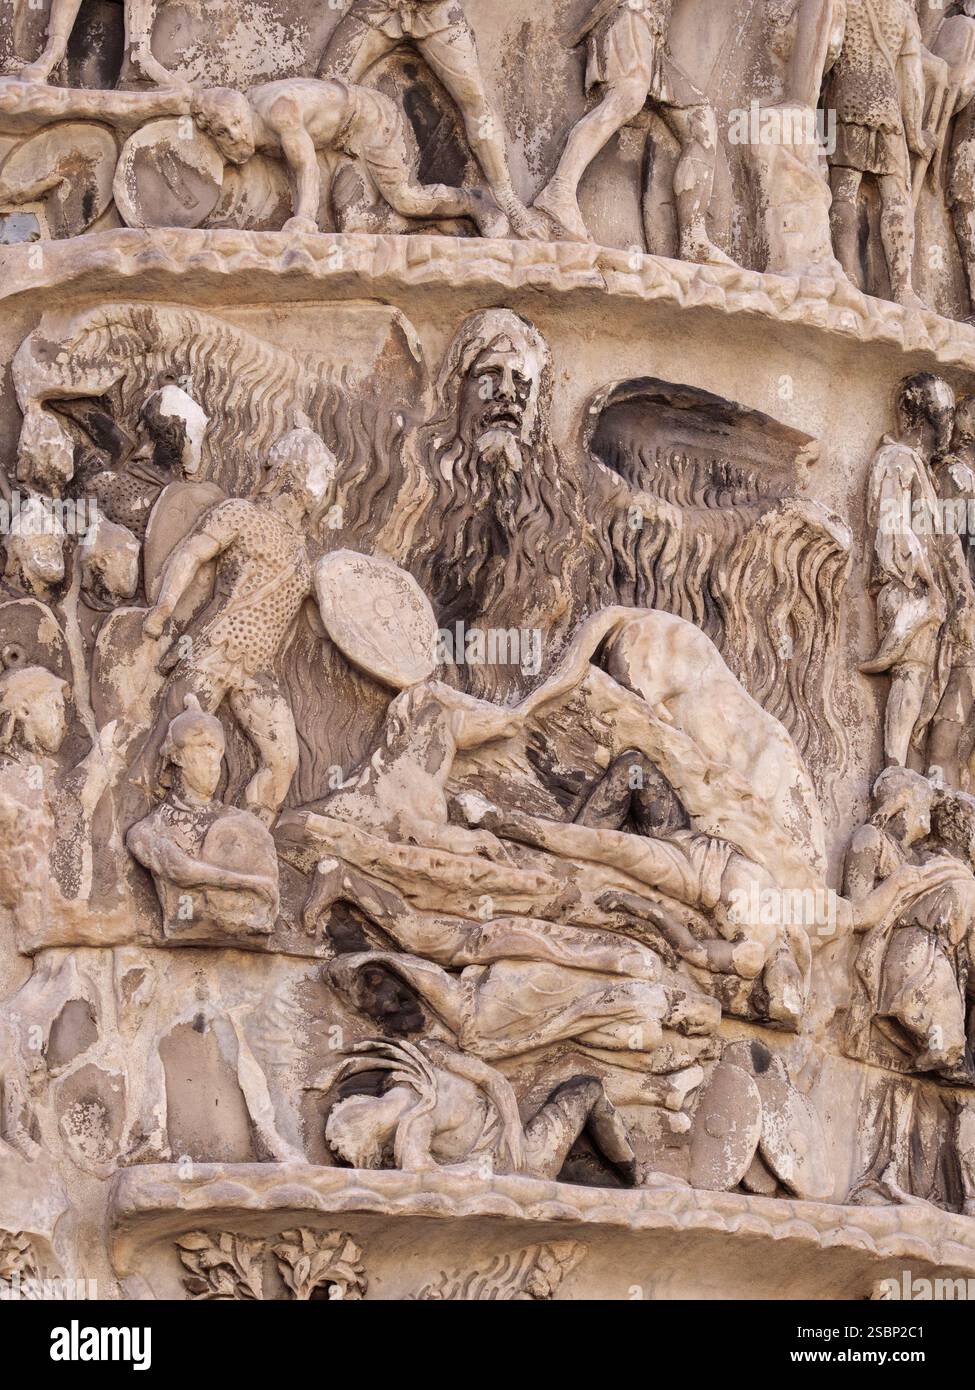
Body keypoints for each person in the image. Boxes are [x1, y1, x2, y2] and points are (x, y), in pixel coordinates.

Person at [318, 0, 543, 238]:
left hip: (436, 9)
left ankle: (505, 195)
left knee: (474, 100)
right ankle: (315, 205)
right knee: (325, 92)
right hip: (381, 6)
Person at [532, 0, 733, 264]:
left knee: (700, 120)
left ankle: (694, 239)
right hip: (627, 12)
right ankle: (559, 190)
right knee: (628, 96)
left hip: (651, 32)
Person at [191, 78, 509, 238]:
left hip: (371, 123)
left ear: (240, 118)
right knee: (354, 225)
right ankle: (439, 222)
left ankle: (474, 201)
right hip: (341, 144)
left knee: (406, 199)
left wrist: (303, 219)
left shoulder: (280, 113)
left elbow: (305, 167)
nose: (231, 138)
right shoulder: (244, 107)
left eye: (232, 128)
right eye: (221, 133)